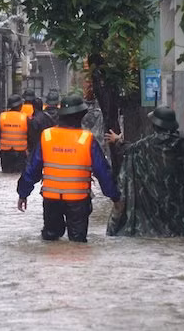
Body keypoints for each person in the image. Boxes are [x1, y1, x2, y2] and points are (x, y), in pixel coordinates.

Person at [17, 94, 121, 243]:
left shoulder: (47, 136)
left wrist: (23, 194)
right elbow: (102, 172)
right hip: (78, 202)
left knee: (50, 240)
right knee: (78, 243)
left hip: (51, 200)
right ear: (81, 116)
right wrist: (115, 197)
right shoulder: (87, 139)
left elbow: (31, 169)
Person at [107, 106, 184, 237]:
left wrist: (117, 140)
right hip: (179, 202)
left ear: (155, 125)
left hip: (153, 206)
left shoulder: (147, 144)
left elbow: (129, 149)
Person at [0, 94, 30, 173]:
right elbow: (30, 136)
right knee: (18, 176)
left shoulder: (2, 117)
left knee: (6, 174)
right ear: (20, 105)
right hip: (20, 154)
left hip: (5, 154)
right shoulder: (25, 118)